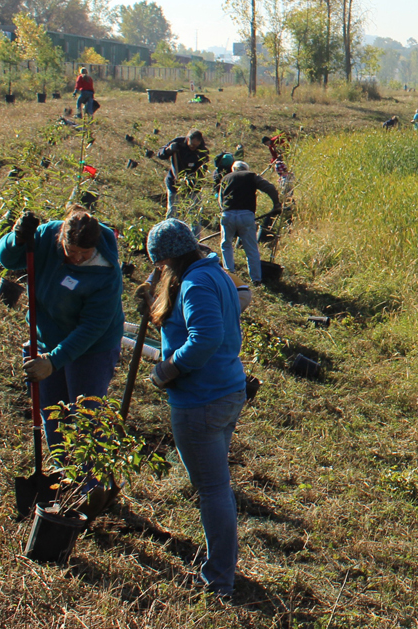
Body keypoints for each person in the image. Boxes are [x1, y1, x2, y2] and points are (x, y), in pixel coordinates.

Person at [145, 219, 247, 600]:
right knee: (216, 485)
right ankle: (222, 566)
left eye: (159, 264)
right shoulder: (214, 272)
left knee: (213, 490)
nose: (158, 270)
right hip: (227, 390)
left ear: (168, 258)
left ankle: (219, 578)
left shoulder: (194, 282)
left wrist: (167, 370)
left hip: (201, 399)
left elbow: (205, 338)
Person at [0, 206, 124, 447]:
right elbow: (8, 260)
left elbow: (92, 327)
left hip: (93, 348)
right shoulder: (46, 236)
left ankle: (91, 481)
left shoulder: (106, 273)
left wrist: (53, 361)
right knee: (53, 413)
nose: (76, 258)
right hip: (48, 336)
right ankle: (61, 474)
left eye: (84, 253)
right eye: (71, 250)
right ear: (61, 239)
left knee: (86, 414)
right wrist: (17, 239)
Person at [217, 160, 282, 284]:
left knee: (226, 245)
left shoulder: (226, 178)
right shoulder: (251, 176)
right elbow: (270, 188)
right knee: (251, 248)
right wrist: (276, 205)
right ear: (246, 168)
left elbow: (221, 200)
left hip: (227, 214)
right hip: (246, 215)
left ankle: (229, 275)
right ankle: (256, 279)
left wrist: (224, 212)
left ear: (234, 169)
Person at [159, 129, 210, 229]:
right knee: (173, 210)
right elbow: (160, 154)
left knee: (195, 212)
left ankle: (195, 240)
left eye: (196, 146)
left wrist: (195, 187)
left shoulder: (202, 151)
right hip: (174, 182)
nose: (193, 148)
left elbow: (202, 172)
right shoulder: (178, 143)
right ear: (187, 139)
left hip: (193, 184)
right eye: (191, 146)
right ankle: (169, 233)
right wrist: (168, 150)